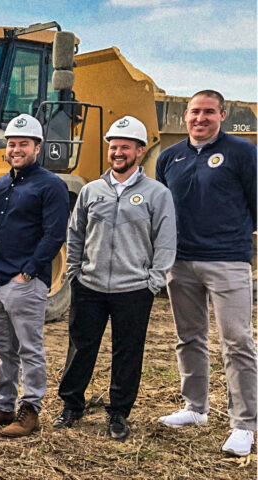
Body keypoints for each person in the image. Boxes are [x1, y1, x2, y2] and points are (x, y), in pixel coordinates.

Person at [55, 116, 176, 440]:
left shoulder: (157, 194)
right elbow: (75, 234)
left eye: (125, 147)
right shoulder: (91, 190)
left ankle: (119, 412)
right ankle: (71, 405)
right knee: (80, 347)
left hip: (134, 289)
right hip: (90, 286)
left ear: (139, 151)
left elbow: (166, 241)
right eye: (113, 147)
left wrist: (153, 281)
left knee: (127, 352)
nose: (118, 152)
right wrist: (75, 273)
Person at [155, 90, 257, 457]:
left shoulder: (242, 152)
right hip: (180, 261)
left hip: (227, 261)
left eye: (209, 112)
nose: (201, 118)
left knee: (237, 340)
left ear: (222, 115)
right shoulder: (169, 157)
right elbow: (162, 209)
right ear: (185, 115)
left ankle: (244, 424)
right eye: (195, 112)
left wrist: (236, 240)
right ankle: (195, 408)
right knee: (189, 337)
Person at [0, 114, 68, 437]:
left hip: (24, 282)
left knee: (30, 349)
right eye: (12, 144)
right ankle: (3, 406)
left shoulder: (51, 185)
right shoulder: (1, 184)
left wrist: (27, 273)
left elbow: (54, 235)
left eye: (23, 144)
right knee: (4, 349)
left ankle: (31, 410)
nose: (16, 149)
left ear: (37, 147)